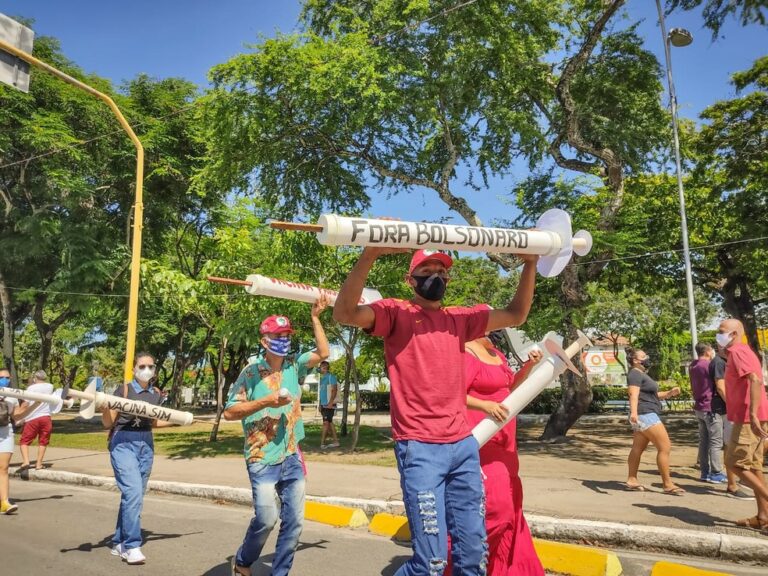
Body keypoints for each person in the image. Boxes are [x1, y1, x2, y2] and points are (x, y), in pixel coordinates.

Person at [334, 247, 537, 576]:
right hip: (420, 449)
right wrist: (370, 255)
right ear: (410, 279)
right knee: (431, 563)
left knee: (473, 559)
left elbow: (516, 314)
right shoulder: (395, 313)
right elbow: (345, 313)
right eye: (427, 271)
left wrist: (530, 263)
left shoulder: (460, 320)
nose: (435, 277)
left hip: (463, 447)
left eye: (441, 272)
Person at [225, 296, 330, 576]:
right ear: (264, 341)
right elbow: (230, 412)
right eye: (277, 335)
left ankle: (280, 572)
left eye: (286, 335)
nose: (283, 339)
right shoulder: (250, 373)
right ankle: (243, 561)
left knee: (294, 523)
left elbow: (323, 352)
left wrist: (316, 318)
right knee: (266, 518)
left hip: (291, 456)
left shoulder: (295, 366)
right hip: (261, 458)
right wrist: (265, 402)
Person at [457, 333, 545, 576]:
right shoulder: (465, 352)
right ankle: (460, 563)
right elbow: (453, 395)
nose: (499, 329)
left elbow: (509, 390)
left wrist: (530, 366)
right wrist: (486, 406)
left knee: (511, 507)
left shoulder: (497, 354)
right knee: (497, 509)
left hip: (505, 443)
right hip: (481, 441)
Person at [103, 352, 173, 565]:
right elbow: (108, 423)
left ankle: (118, 541)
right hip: (123, 442)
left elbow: (153, 423)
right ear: (134, 369)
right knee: (133, 493)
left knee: (134, 496)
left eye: (150, 366)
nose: (146, 370)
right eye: (142, 366)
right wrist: (105, 407)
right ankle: (132, 545)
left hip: (146, 444)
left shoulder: (156, 394)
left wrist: (179, 421)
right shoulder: (123, 390)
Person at [716, 319, 768, 530]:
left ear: (734, 333)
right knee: (753, 467)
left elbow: (755, 380)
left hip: (748, 418)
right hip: (753, 415)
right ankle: (763, 517)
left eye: (722, 331)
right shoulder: (743, 351)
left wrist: (753, 414)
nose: (718, 335)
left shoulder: (737, 352)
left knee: (733, 463)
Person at [624, 348, 685, 494]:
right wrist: (634, 412)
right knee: (665, 448)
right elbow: (633, 393)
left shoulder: (640, 374)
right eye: (643, 356)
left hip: (643, 414)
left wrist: (670, 393)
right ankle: (667, 484)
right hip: (646, 414)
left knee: (637, 448)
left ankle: (632, 479)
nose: (647, 357)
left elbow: (653, 395)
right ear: (635, 360)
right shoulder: (635, 374)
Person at [708, 344, 754, 499]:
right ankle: (733, 485)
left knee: (736, 445)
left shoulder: (727, 361)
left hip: (730, 410)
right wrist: (733, 406)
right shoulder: (720, 362)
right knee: (730, 446)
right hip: (727, 411)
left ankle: (740, 479)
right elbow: (721, 387)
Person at [690, 344, 727, 483]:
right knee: (716, 442)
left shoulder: (693, 365)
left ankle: (704, 472)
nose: (713, 352)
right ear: (707, 351)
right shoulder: (709, 365)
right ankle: (716, 473)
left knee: (704, 441)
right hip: (710, 407)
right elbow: (719, 385)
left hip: (699, 407)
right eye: (712, 350)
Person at [17, 370, 55, 471]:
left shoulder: (31, 388)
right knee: (43, 441)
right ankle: (39, 464)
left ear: (35, 378)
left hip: (32, 418)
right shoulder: (50, 387)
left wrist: (19, 415)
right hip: (46, 417)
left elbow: (26, 404)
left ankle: (26, 461)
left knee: (24, 441)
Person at [1, 367, 23, 515]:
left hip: (5, 432)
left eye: (8, 377)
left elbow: (17, 417)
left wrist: (34, 404)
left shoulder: (12, 395)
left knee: (3, 468)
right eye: (2, 377)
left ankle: (4, 502)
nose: (5, 380)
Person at [318, 360, 340, 449]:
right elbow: (322, 392)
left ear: (325, 368)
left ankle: (322, 443)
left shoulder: (331, 377)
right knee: (330, 423)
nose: (320, 368)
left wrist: (330, 403)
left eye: (321, 367)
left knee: (326, 423)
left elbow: (334, 390)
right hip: (323, 405)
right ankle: (336, 442)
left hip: (329, 405)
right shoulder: (322, 379)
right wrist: (320, 404)